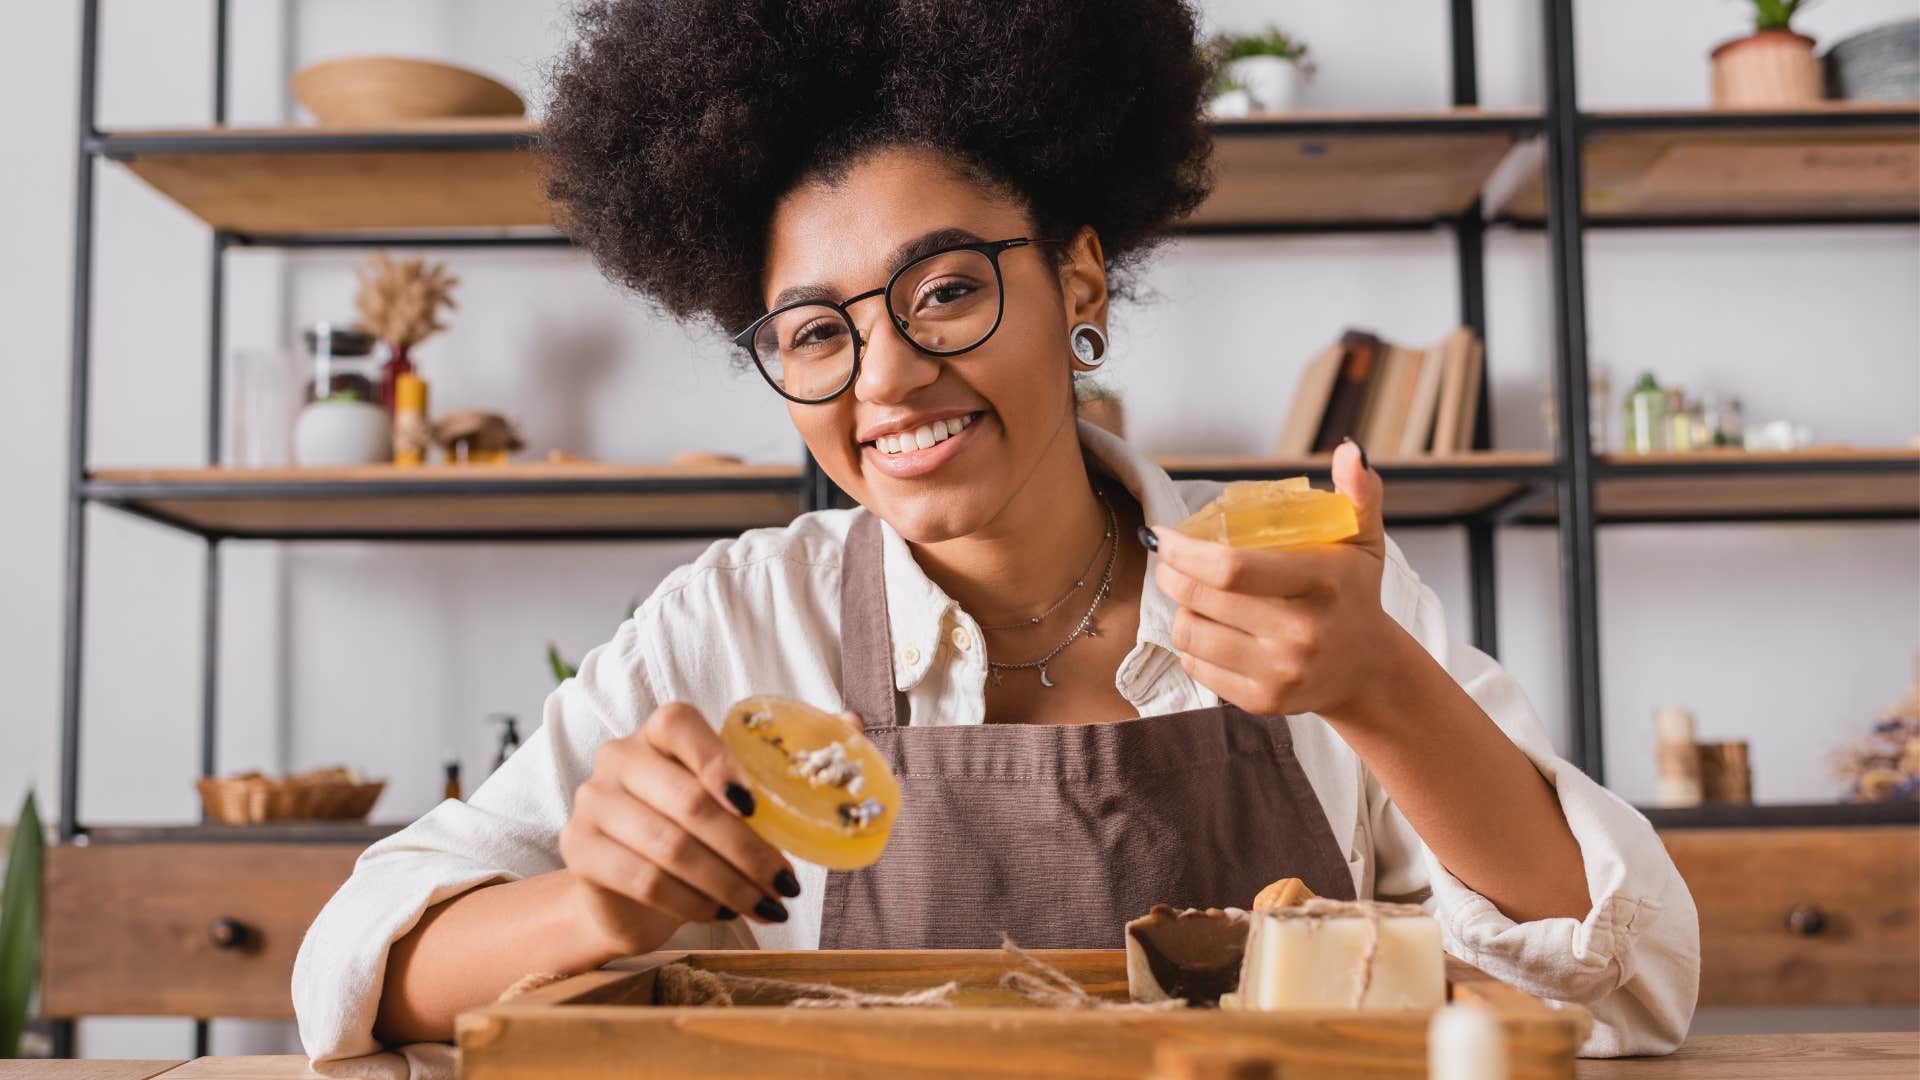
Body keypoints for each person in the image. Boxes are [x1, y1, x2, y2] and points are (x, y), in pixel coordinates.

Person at [294, 0, 1697, 1070]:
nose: (887, 376)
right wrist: (595, 909)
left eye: (948, 291)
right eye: (813, 333)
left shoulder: (1307, 593)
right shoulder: (729, 628)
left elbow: (1626, 990)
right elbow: (355, 975)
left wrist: (1382, 685)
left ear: (1079, 274)